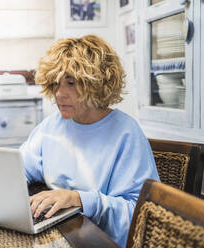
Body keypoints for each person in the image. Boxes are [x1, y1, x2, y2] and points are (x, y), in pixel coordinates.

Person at [19, 35, 160, 247]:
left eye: (71, 83)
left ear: (97, 84)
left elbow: (140, 216)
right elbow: (20, 168)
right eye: (55, 83)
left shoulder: (126, 133)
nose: (59, 94)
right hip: (60, 232)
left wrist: (78, 199)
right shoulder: (51, 126)